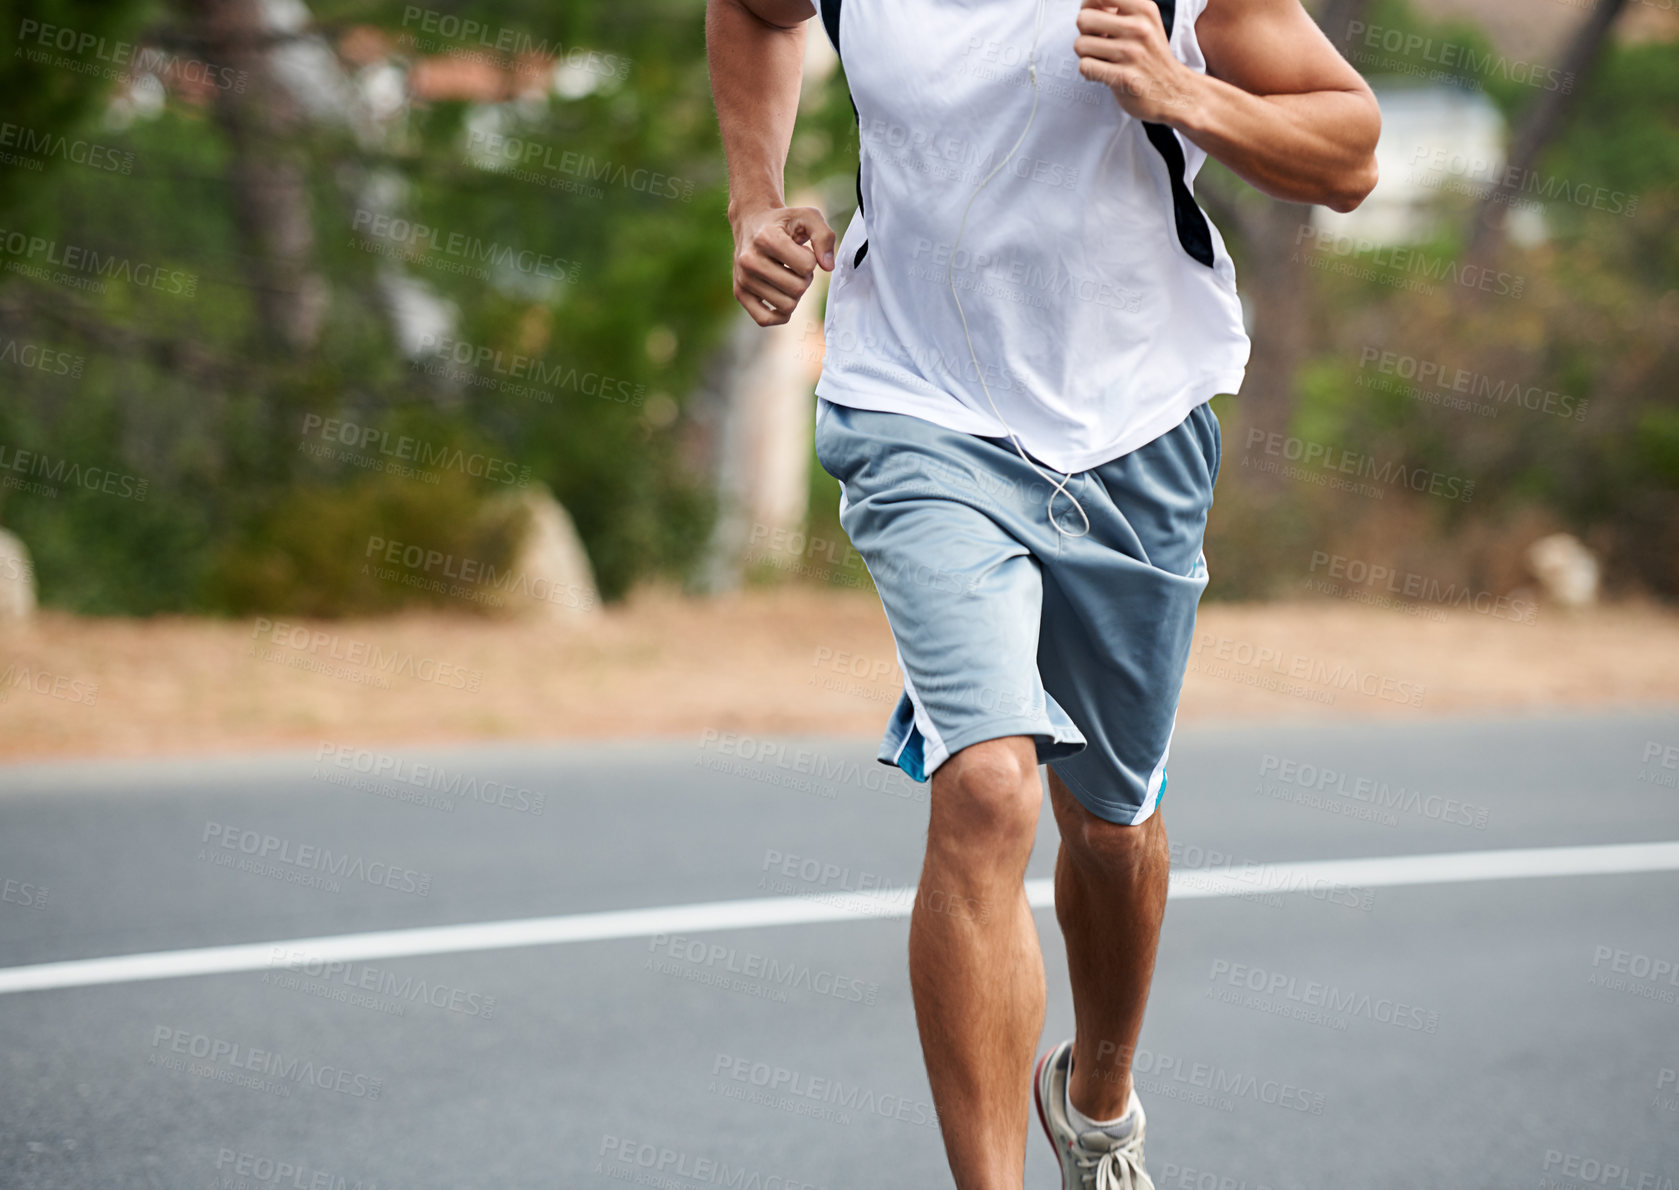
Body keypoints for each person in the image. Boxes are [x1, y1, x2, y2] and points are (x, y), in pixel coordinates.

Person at [705, 0, 1379, 1186]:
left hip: (1135, 415)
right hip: (918, 404)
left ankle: (1097, 1096)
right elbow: (751, 15)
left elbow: (1350, 151)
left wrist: (1185, 96)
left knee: (1109, 825)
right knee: (983, 781)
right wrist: (753, 200)